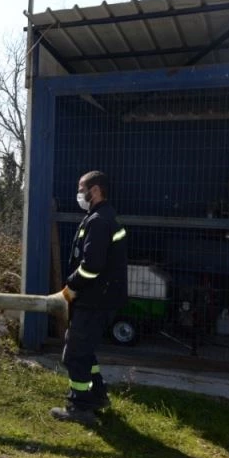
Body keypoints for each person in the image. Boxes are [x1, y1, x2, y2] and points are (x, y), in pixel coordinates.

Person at [50, 171, 128, 425]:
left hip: (95, 299)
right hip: (99, 299)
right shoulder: (100, 217)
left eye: (81, 188)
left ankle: (79, 406)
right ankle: (97, 396)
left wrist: (70, 288)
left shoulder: (99, 221)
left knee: (73, 353)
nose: (78, 193)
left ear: (95, 190)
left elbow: (91, 266)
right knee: (85, 351)